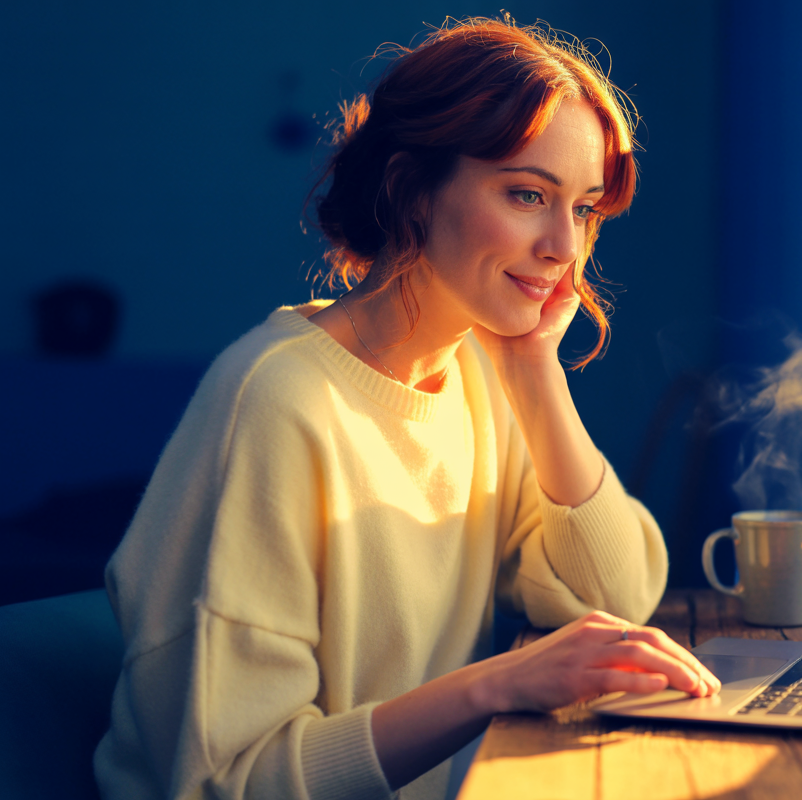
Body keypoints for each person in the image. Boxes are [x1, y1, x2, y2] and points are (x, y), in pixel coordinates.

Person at [93, 17, 720, 800]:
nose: (565, 245)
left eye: (585, 208)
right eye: (527, 194)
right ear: (411, 188)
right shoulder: (276, 401)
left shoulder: (484, 366)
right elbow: (236, 780)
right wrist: (499, 684)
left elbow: (613, 598)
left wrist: (535, 372)